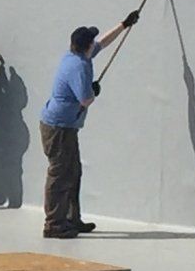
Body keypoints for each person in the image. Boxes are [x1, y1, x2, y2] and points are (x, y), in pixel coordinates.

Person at [37, 12, 139, 237]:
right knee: (60, 173)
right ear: (85, 46)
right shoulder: (79, 67)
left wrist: (124, 24)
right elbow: (86, 99)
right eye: (91, 40)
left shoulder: (75, 56)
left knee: (73, 172)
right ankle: (53, 224)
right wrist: (94, 90)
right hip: (59, 128)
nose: (95, 42)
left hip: (65, 126)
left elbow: (102, 43)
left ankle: (71, 219)